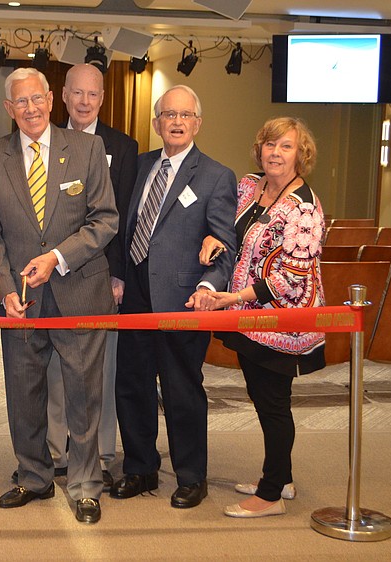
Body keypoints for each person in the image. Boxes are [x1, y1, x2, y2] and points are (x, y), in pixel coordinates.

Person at [0, 68, 118, 525]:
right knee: (24, 393)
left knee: (83, 394)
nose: (32, 109)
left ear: (51, 99)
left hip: (80, 291)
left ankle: (84, 483)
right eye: (21, 102)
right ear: (8, 108)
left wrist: (58, 256)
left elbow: (104, 220)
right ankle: (33, 476)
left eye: (37, 99)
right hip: (22, 300)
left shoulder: (87, 148)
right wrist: (4, 291)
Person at [112, 85, 236, 509]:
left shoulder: (217, 176)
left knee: (182, 389)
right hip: (134, 295)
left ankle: (190, 475)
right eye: (169, 115)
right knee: (131, 385)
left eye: (186, 115)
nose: (177, 122)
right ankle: (140, 467)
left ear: (198, 123)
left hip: (184, 299)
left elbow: (223, 243)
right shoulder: (140, 165)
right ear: (156, 123)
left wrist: (208, 286)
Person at [196, 117, 326, 518]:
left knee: (273, 402)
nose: (275, 153)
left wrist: (233, 297)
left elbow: (290, 277)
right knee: (264, 397)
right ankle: (281, 476)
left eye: (286, 146)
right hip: (248, 317)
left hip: (281, 322)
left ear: (300, 154)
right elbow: (232, 232)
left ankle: (270, 495)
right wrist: (214, 236)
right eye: (270, 144)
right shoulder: (250, 186)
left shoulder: (305, 207)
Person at [41, 63, 138, 489]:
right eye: (77, 93)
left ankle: (101, 453)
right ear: (63, 96)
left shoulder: (123, 145)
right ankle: (55, 453)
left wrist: (118, 275)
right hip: (53, 275)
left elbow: (124, 217)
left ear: (102, 98)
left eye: (92, 95)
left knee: (99, 371)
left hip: (99, 274)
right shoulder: (46, 139)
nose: (84, 102)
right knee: (54, 373)